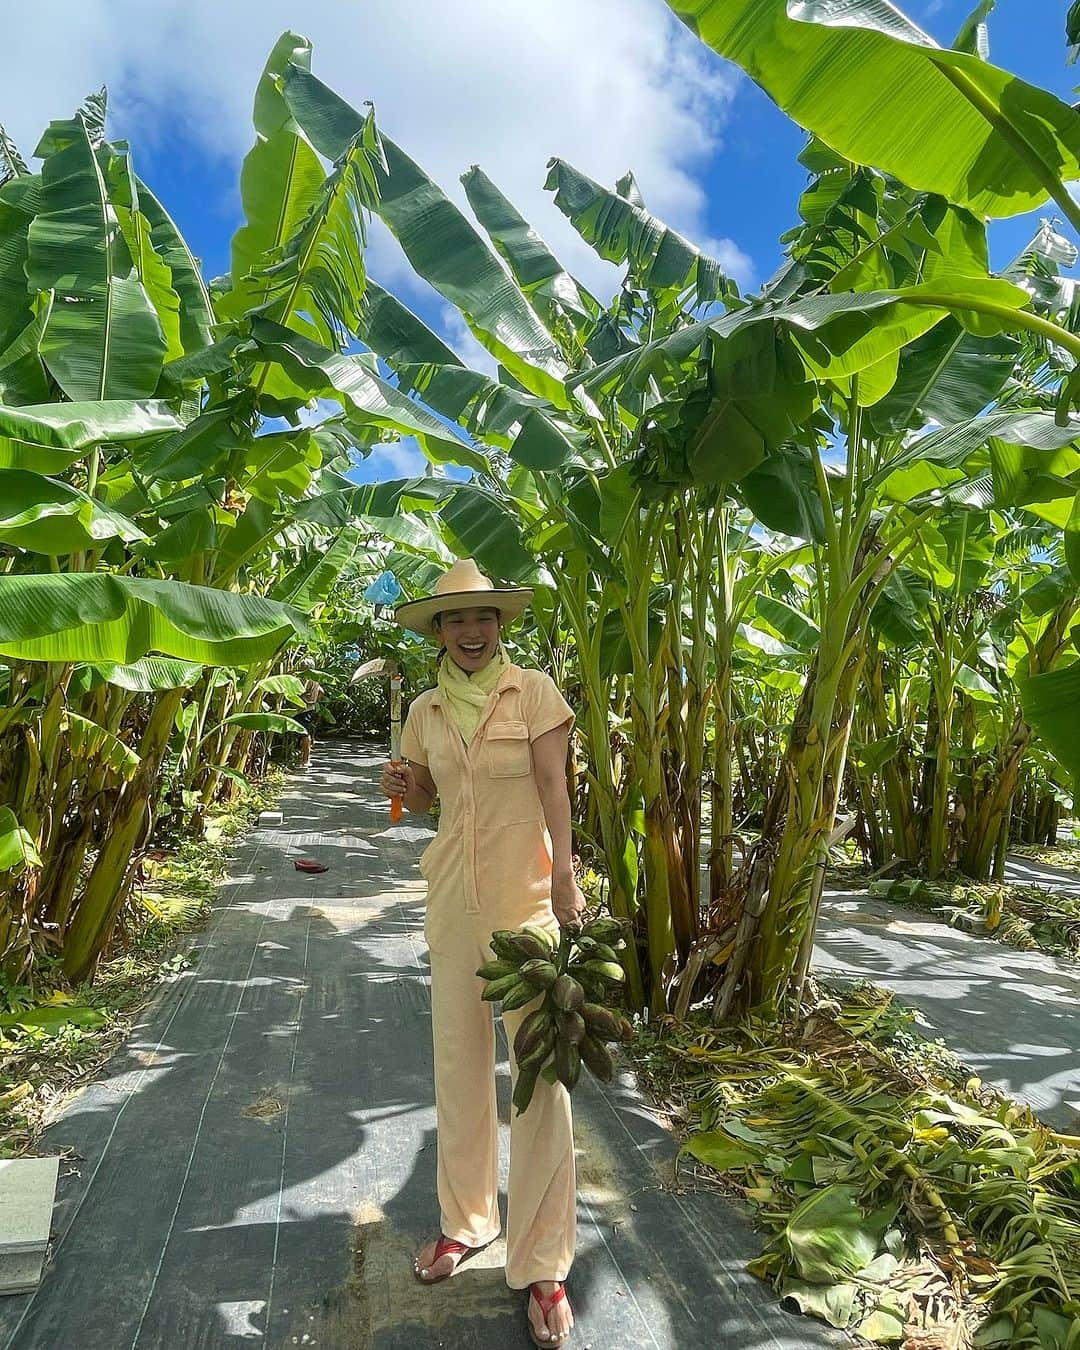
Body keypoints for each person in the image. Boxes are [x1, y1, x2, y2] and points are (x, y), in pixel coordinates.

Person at [379, 558, 585, 1348]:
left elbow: (555, 791)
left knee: (541, 1077)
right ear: (438, 630)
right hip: (451, 900)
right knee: (458, 1064)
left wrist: (566, 880)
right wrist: (402, 784)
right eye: (455, 620)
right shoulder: (425, 708)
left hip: (525, 899)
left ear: (501, 626)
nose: (470, 631)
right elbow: (421, 800)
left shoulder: (532, 692)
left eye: (483, 618)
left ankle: (543, 1263)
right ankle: (466, 1222)